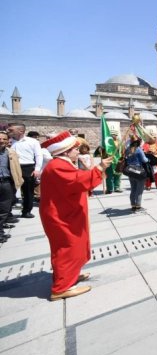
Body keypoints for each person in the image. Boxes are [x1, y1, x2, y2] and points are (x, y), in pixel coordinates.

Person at [39, 131, 112, 300]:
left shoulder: (62, 163)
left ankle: (70, 275)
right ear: (65, 151)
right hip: (61, 217)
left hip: (67, 213)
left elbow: (78, 179)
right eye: (75, 149)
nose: (78, 152)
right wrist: (100, 168)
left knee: (75, 247)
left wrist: (99, 169)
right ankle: (61, 288)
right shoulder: (57, 166)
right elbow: (79, 181)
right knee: (67, 248)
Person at [7, 123, 43, 218]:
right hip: (12, 167)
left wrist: (37, 169)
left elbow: (38, 155)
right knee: (10, 191)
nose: (8, 131)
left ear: (21, 131)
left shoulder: (32, 141)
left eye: (11, 130)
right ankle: (8, 213)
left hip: (27, 167)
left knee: (28, 191)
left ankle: (26, 211)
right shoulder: (8, 141)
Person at [0, 131, 23, 242]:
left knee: (4, 209)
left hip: (6, 183)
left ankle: (0, 231)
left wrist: (18, 181)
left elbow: (16, 167)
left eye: (4, 139)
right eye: (0, 138)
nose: (2, 141)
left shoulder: (11, 152)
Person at [124, 137, 149, 212]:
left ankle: (133, 205)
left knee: (133, 189)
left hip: (130, 171)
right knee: (139, 190)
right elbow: (144, 160)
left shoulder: (127, 149)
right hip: (138, 171)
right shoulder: (138, 149)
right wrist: (149, 159)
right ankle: (138, 206)